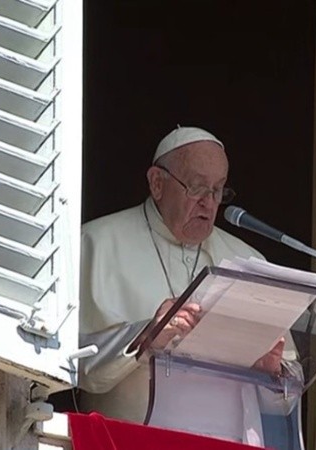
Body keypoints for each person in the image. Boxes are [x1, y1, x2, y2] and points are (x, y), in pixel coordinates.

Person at [77, 126, 296, 446]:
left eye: (219, 189)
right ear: (157, 183)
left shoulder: (249, 260)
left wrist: (269, 374)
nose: (210, 203)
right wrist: (146, 337)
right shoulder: (94, 244)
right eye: (196, 187)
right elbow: (71, 368)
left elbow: (284, 399)